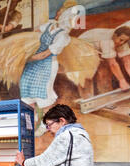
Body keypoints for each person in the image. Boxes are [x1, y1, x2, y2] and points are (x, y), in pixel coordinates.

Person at [19, 0, 81, 137]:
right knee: (27, 93)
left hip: (46, 65)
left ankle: (44, 126)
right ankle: (29, 125)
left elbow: (46, 54)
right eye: (59, 11)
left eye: (62, 12)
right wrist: (27, 48)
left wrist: (27, 57)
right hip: (32, 65)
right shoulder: (50, 25)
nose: (58, 13)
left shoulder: (63, 36)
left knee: (42, 95)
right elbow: (34, 35)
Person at [78, 25, 130, 98]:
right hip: (80, 47)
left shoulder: (121, 40)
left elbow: (127, 60)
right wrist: (122, 81)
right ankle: (87, 98)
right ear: (115, 35)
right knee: (88, 73)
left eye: (125, 41)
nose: (122, 43)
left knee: (103, 68)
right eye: (121, 40)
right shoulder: (107, 41)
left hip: (94, 47)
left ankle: (101, 95)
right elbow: (113, 64)